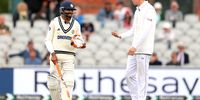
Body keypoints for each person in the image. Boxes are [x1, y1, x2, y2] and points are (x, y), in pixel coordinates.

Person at [112, 0, 156, 99]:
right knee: (129, 75)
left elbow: (146, 31)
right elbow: (134, 30)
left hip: (143, 50)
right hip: (135, 49)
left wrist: (134, 46)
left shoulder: (149, 9)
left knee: (142, 78)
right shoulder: (137, 10)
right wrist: (121, 35)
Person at [45, 1, 86, 100]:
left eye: (72, 10)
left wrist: (81, 43)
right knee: (52, 83)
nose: (70, 12)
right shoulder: (54, 22)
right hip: (56, 55)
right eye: (68, 10)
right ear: (62, 10)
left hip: (69, 56)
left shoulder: (76, 24)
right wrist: (52, 53)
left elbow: (79, 39)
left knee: (69, 82)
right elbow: (47, 40)